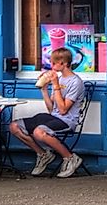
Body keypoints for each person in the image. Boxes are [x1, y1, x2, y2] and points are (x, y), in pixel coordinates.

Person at [10, 47, 86, 178]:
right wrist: (44, 89)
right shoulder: (60, 79)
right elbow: (52, 109)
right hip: (54, 117)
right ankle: (43, 154)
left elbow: (63, 110)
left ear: (64, 63)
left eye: (53, 63)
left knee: (39, 131)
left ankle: (70, 158)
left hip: (67, 120)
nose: (51, 66)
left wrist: (55, 85)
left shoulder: (75, 82)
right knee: (14, 126)